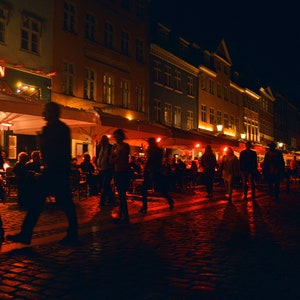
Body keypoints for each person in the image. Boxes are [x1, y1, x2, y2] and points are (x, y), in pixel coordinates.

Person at [7, 102, 79, 246]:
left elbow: (52, 152)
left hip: (55, 170)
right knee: (43, 202)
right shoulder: (59, 128)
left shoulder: (55, 129)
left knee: (61, 203)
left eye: (46, 110)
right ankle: (27, 233)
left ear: (52, 112)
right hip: (55, 170)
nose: (43, 113)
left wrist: (42, 141)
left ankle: (28, 234)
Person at [139, 137, 174, 213]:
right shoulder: (154, 151)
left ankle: (170, 200)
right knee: (145, 189)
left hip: (154, 171)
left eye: (149, 143)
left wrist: (151, 170)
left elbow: (155, 162)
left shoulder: (157, 151)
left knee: (160, 188)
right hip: (150, 171)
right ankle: (144, 206)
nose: (149, 144)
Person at [109, 129, 131, 224]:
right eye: (115, 136)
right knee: (120, 195)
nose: (116, 138)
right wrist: (114, 157)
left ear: (121, 137)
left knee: (122, 195)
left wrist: (115, 157)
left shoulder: (125, 146)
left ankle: (125, 216)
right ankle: (122, 215)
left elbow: (120, 158)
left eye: (117, 136)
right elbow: (111, 160)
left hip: (124, 172)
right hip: (117, 172)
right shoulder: (114, 147)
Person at [97, 135, 115, 206]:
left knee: (105, 185)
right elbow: (99, 156)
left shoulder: (110, 147)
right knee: (105, 185)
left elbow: (111, 158)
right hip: (101, 169)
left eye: (103, 141)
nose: (102, 142)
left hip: (108, 169)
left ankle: (102, 201)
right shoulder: (100, 148)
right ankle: (111, 198)